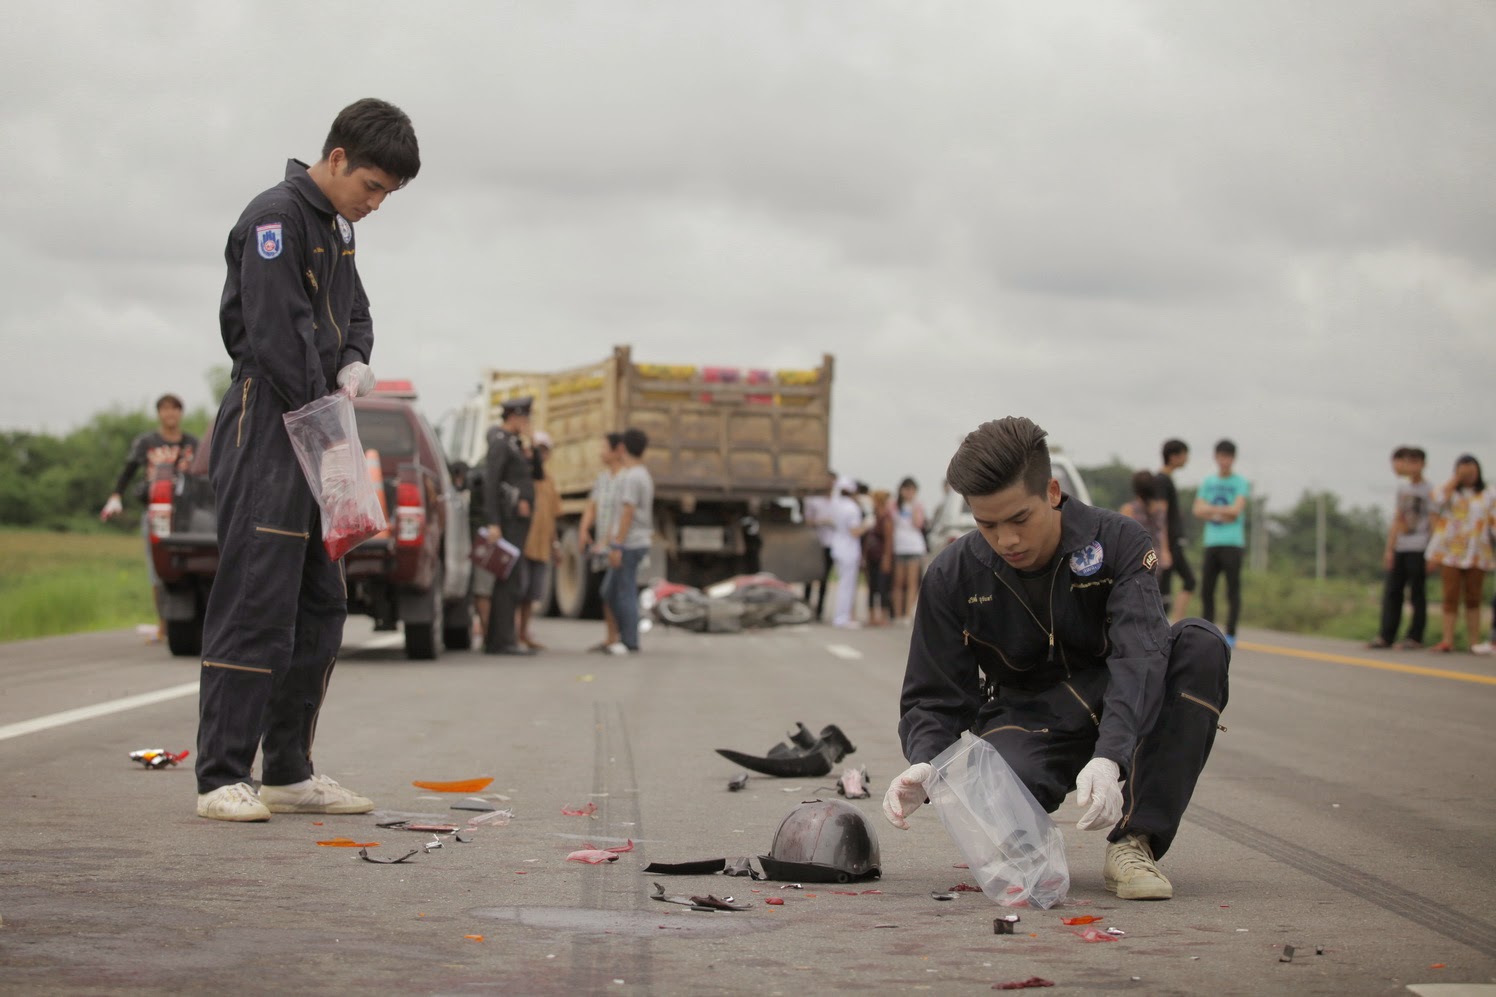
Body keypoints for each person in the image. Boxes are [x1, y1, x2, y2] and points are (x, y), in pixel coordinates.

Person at [884, 417, 1229, 901]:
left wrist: (1110, 756)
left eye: (1019, 519)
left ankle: (1135, 843)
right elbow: (931, 694)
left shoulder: (1119, 543)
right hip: (1027, 717)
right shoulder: (952, 575)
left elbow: (1140, 657)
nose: (1006, 540)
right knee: (995, 791)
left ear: (1051, 491)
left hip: (1122, 700)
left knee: (1199, 643)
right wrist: (928, 762)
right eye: (987, 525)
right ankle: (1023, 842)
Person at [195, 98, 420, 822]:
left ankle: (289, 771)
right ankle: (221, 774)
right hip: (269, 417)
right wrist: (322, 411)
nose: (375, 204)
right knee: (256, 596)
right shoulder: (277, 218)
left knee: (321, 603)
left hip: (321, 418)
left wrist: (354, 358)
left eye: (387, 195)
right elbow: (275, 332)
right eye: (372, 186)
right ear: (337, 158)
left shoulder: (339, 231)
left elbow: (357, 313)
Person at [100, 393, 200, 641]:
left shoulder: (192, 443)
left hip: (188, 515)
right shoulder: (147, 442)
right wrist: (116, 495)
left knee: (189, 566)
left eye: (174, 408)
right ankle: (163, 625)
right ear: (159, 414)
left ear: (180, 413)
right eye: (165, 409)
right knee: (158, 568)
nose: (170, 413)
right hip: (157, 513)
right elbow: (129, 469)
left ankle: (193, 620)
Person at [483, 397, 537, 655]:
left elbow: (537, 473)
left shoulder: (515, 443)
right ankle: (502, 640)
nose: (527, 422)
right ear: (514, 417)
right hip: (507, 520)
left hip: (516, 522)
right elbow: (491, 482)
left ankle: (499, 639)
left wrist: (532, 443)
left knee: (510, 579)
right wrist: (493, 522)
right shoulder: (500, 443)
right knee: (508, 580)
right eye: (525, 418)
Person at [1423, 454, 1493, 654]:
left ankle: (1474, 642)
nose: (1468, 475)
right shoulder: (1451, 493)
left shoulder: (1488, 494)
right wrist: (1456, 479)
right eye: (1464, 471)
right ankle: (1447, 640)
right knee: (1450, 595)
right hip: (1450, 552)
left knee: (1474, 596)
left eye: (1471, 471)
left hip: (1478, 552)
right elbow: (1436, 499)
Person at [1369, 447, 1431, 650]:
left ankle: (1415, 637)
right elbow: (1397, 519)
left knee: (1417, 593)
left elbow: (1434, 521)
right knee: (1393, 591)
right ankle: (1386, 635)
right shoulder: (1403, 489)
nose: (1410, 466)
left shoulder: (1430, 490)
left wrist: (1433, 551)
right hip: (1401, 546)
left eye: (1415, 462)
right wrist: (1389, 549)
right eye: (1408, 462)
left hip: (1420, 546)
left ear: (1423, 464)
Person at [1192, 439, 1250, 649]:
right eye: (1222, 456)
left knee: (1232, 590)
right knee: (1207, 589)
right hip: (1212, 542)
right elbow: (1197, 510)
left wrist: (1211, 510)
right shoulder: (1208, 482)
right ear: (1216, 457)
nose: (1225, 461)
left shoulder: (1240, 482)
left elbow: (1236, 511)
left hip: (1232, 543)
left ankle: (1231, 632)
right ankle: (1208, 630)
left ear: (1233, 459)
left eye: (1228, 457)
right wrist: (1222, 513)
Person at [601, 428, 653, 655]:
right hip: (634, 541)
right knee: (611, 591)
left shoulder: (632, 477)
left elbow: (628, 512)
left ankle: (629, 640)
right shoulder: (642, 474)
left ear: (622, 448)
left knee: (625, 591)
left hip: (630, 543)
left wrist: (617, 545)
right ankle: (621, 637)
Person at [579, 432, 624, 652]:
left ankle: (623, 636)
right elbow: (592, 506)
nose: (601, 453)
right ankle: (610, 636)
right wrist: (583, 529)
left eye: (605, 448)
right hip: (602, 547)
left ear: (618, 450)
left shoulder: (626, 479)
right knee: (606, 592)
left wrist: (614, 542)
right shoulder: (603, 479)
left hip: (618, 545)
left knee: (618, 591)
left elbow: (626, 514)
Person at [517, 430, 562, 650]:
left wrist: (555, 545)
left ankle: (524, 633)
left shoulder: (549, 481)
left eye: (544, 451)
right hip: (523, 543)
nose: (540, 455)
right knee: (518, 590)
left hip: (542, 545)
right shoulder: (522, 477)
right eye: (538, 450)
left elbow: (552, 516)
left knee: (531, 594)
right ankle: (512, 632)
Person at [1154, 439, 1195, 622]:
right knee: (1173, 586)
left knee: (1174, 585)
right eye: (1184, 454)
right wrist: (1163, 548)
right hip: (1169, 542)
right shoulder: (1162, 480)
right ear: (1173, 456)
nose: (1187, 458)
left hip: (1173, 541)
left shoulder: (1167, 479)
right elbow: (1161, 516)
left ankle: (1174, 623)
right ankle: (1171, 625)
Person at [827, 476, 865, 629]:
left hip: (838, 546)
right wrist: (868, 525)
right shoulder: (851, 507)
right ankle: (842, 617)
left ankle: (842, 615)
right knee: (846, 585)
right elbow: (855, 532)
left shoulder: (835, 504)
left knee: (843, 584)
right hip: (848, 549)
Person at [891, 477, 929, 622]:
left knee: (912, 582)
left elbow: (918, 524)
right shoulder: (894, 505)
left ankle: (907, 613)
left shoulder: (917, 506)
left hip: (914, 547)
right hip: (899, 547)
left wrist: (913, 506)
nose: (909, 493)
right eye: (906, 489)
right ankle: (898, 613)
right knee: (898, 582)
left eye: (912, 490)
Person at [1120, 470, 1171, 575]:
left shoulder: (1129, 509)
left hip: (1136, 556)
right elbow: (1163, 531)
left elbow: (1123, 536)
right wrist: (1165, 551)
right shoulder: (1160, 508)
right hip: (1155, 555)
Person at [802, 470, 837, 621]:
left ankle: (820, 610)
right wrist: (821, 522)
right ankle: (805, 607)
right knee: (810, 577)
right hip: (815, 543)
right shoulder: (813, 499)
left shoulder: (837, 501)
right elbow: (807, 521)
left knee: (824, 578)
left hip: (831, 543)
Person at [862, 488, 894, 627]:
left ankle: (883, 616)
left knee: (882, 587)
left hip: (881, 556)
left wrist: (887, 558)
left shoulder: (886, 518)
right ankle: (872, 616)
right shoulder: (873, 516)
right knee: (872, 587)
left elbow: (889, 540)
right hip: (871, 557)